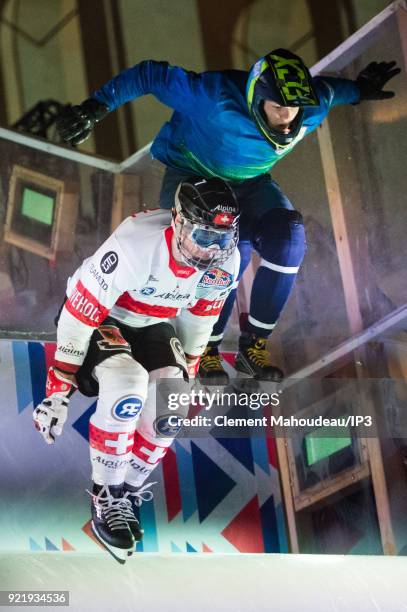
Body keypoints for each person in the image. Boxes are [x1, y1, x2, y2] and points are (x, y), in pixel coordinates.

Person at [56, 49, 400, 385]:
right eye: (278, 107)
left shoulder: (311, 106)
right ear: (255, 99)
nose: (287, 118)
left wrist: (359, 90)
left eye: (294, 108)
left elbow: (333, 91)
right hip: (192, 172)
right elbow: (150, 75)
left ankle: (255, 344)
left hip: (251, 181)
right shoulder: (213, 96)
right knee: (225, 253)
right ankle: (208, 346)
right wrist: (94, 108)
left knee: (289, 238)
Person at [33, 176, 240, 563]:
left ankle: (125, 494)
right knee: (128, 384)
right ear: (178, 221)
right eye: (203, 235)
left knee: (171, 404)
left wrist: (189, 370)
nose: (211, 249)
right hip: (101, 316)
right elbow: (79, 316)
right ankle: (105, 494)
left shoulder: (227, 260)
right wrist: (57, 390)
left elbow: (199, 320)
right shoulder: (135, 244)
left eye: (222, 240)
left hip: (154, 321)